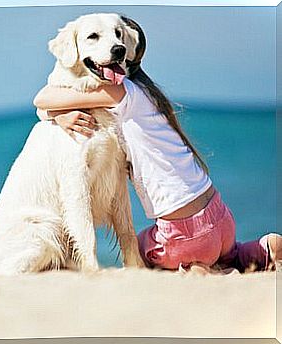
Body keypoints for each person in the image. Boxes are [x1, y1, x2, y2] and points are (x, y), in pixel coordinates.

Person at [33, 20, 280, 273]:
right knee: (229, 253)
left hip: (186, 234)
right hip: (221, 217)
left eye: (118, 36)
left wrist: (58, 115)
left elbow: (43, 99)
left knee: (140, 249)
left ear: (127, 50)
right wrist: (59, 114)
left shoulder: (120, 93)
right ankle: (260, 250)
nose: (113, 43)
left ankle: (195, 266)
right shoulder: (148, 94)